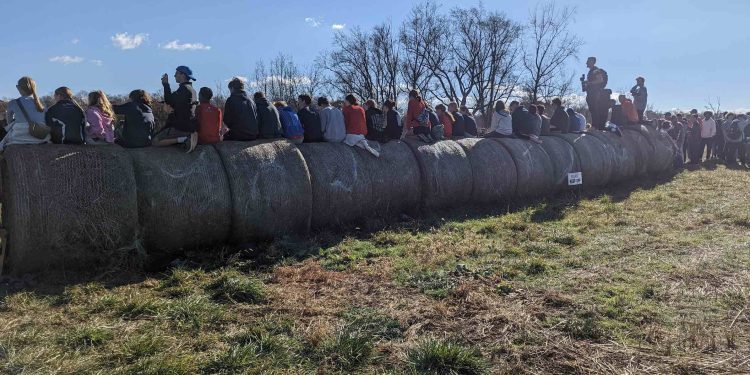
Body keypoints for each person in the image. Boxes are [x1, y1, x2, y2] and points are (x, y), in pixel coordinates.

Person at [154, 66, 198, 152]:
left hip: (181, 127)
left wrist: (166, 84)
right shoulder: (192, 90)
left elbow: (169, 100)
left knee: (155, 141)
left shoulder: (184, 89)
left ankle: (183, 139)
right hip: (189, 126)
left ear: (183, 75)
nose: (174, 76)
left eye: (176, 74)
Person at [1, 76, 50, 151]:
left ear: (18, 88)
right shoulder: (42, 103)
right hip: (41, 136)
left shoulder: (13, 103)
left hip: (20, 136)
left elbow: (9, 122)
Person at [581, 57, 608, 130]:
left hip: (594, 93)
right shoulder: (591, 71)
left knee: (594, 109)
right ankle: (595, 125)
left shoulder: (595, 70)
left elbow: (600, 80)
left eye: (588, 61)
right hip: (591, 92)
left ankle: (595, 126)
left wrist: (589, 83)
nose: (586, 63)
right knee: (592, 109)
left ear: (592, 62)